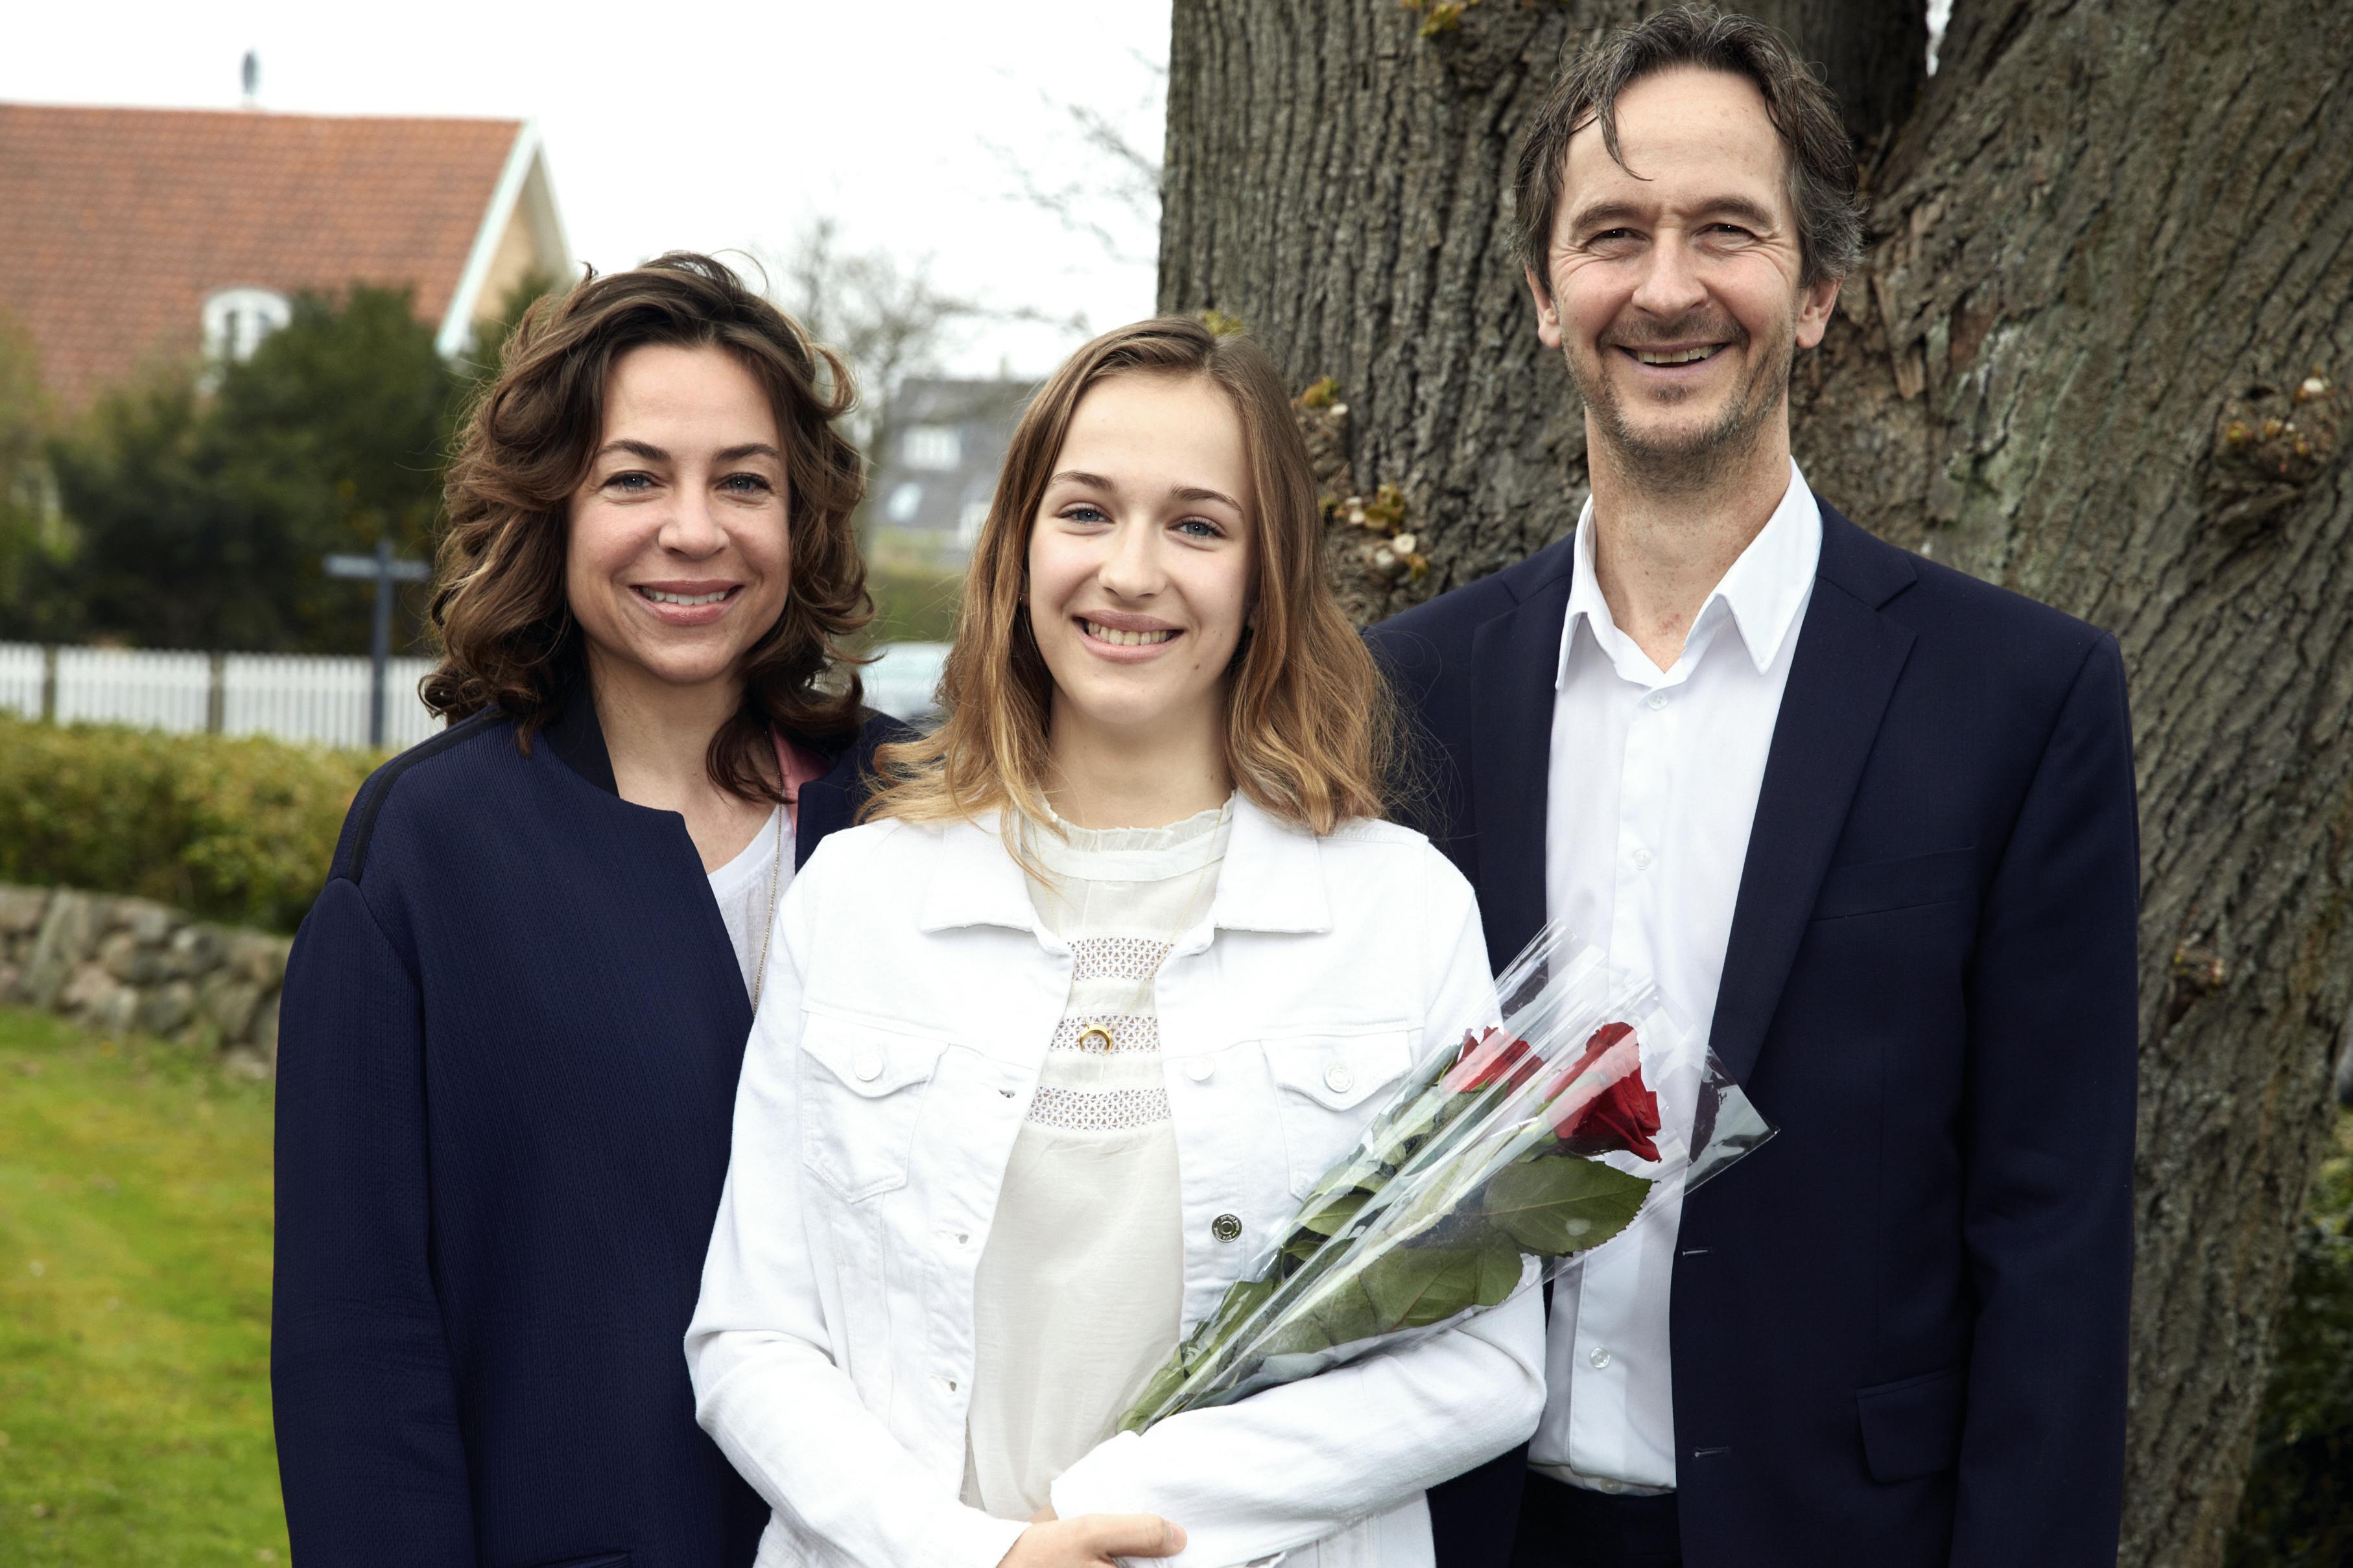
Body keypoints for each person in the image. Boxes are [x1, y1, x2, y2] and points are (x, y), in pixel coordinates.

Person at [1373, 10, 2140, 1568]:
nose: (1666, 288)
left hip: (1842, 1532)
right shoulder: (1403, 693)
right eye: (1612, 236)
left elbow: (2053, 1231)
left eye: (1727, 230)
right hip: (1455, 1530)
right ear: (1542, 295)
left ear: (1820, 290)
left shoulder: (2021, 698)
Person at [685, 318, 1546, 1568]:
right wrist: (973, 1555)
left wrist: (1143, 1507)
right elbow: (752, 1342)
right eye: (1085, 512)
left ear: (1264, 581)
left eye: (1196, 526)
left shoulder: (1397, 913)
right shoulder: (862, 896)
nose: (1130, 572)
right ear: (1019, 549)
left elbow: (1485, 1358)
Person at [272, 253, 908, 1568]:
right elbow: (359, 1335)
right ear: (551, 509)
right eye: (634, 478)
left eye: (745, 480)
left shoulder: (925, 814)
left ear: (806, 518)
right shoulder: (428, 852)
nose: (694, 529)